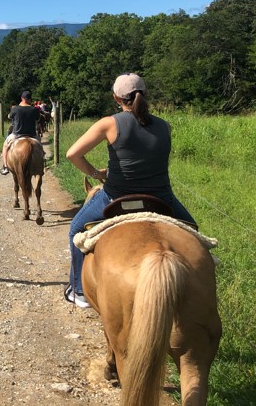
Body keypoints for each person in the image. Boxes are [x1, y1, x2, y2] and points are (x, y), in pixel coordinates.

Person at [64, 73, 196, 308]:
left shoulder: (109, 123)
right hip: (161, 198)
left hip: (115, 197)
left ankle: (79, 291)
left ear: (116, 98)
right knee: (193, 230)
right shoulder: (165, 126)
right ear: (144, 95)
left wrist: (96, 173)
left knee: (75, 229)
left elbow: (72, 154)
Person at [0, 90, 41, 175]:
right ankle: (41, 164)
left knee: (5, 145)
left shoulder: (15, 109)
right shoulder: (34, 109)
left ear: (22, 98)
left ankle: (5, 166)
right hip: (32, 135)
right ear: (30, 99)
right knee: (39, 147)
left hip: (17, 135)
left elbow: (9, 117)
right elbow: (38, 119)